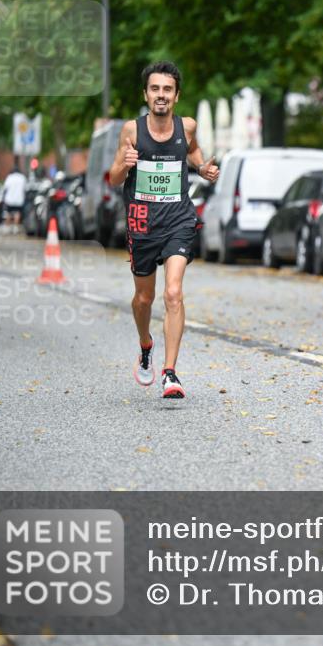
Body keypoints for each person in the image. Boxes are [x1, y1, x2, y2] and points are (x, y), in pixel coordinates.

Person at [108, 61, 219, 398]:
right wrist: (123, 166)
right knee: (145, 298)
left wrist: (201, 167)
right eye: (155, 89)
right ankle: (146, 344)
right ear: (146, 94)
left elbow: (193, 149)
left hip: (178, 220)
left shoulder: (186, 126)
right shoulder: (131, 131)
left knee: (173, 293)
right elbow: (113, 178)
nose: (161, 95)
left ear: (176, 95)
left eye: (167, 89)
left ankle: (170, 373)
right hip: (142, 223)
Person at [1, 166, 27, 234]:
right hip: (19, 199)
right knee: (17, 213)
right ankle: (15, 227)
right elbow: (25, 188)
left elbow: (5, 188)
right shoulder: (22, 178)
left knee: (8, 213)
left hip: (9, 198)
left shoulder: (9, 177)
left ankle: (7, 227)